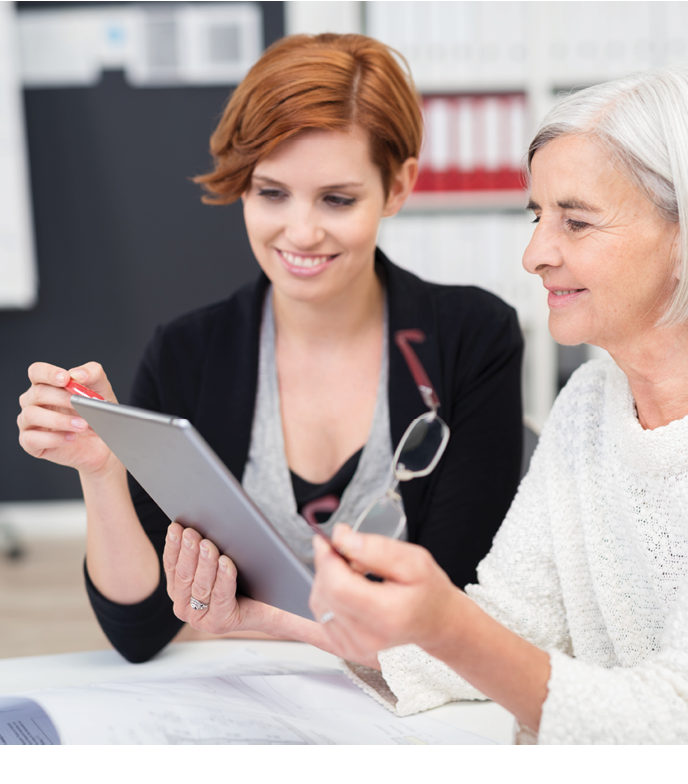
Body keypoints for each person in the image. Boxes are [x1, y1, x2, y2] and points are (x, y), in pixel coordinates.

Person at [157, 63, 688, 744]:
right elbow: (511, 625)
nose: (534, 254)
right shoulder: (590, 401)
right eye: (536, 216)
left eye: (574, 222)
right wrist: (263, 618)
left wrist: (445, 623)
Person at [16, 34, 523, 664]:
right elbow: (139, 630)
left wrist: (259, 621)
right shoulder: (186, 354)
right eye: (272, 193)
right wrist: (102, 471)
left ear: (397, 187)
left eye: (337, 199)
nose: (301, 232)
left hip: (414, 717)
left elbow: (452, 613)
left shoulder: (473, 337)